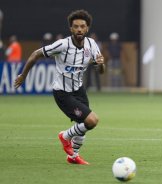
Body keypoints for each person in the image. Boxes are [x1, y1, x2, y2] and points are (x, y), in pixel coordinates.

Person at [14, 9, 105, 165]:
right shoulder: (62, 45)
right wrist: (23, 75)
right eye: (75, 26)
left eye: (82, 26)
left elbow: (101, 70)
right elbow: (36, 54)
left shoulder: (92, 44)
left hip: (79, 90)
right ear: (71, 28)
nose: (79, 29)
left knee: (83, 124)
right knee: (92, 120)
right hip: (63, 92)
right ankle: (64, 136)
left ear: (87, 28)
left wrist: (101, 64)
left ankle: (73, 156)